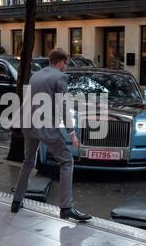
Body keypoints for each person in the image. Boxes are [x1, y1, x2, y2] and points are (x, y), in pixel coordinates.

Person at [10, 48, 92, 221]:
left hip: (27, 124)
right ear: (61, 62)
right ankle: (66, 207)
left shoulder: (36, 75)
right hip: (45, 126)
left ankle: (16, 201)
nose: (65, 67)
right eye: (65, 64)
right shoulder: (60, 77)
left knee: (28, 162)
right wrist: (72, 133)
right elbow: (63, 106)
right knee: (67, 161)